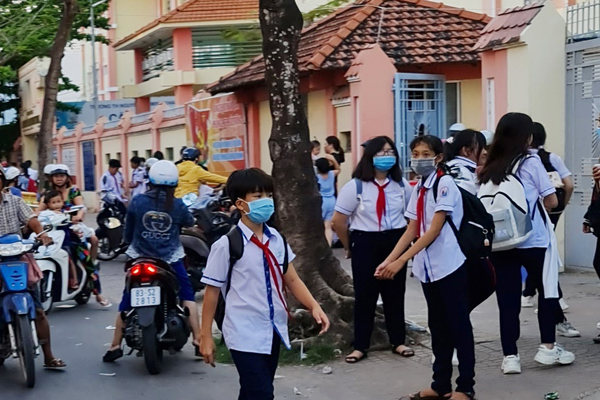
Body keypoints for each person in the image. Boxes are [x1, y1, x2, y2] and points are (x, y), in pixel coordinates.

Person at [200, 168, 329, 400]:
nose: (266, 201)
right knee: (262, 393)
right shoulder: (226, 245)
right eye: (258, 197)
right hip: (242, 332)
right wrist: (206, 336)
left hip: (273, 329)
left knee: (252, 391)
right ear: (240, 204)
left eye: (268, 195)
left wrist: (314, 306)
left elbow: (291, 277)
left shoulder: (276, 239)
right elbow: (212, 293)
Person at [376, 135, 474, 400]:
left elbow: (433, 230)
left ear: (438, 157)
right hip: (429, 270)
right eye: (415, 154)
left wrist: (400, 262)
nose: (419, 159)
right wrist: (389, 259)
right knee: (438, 328)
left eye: (425, 154)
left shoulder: (445, 184)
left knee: (459, 327)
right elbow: (412, 228)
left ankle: (465, 387)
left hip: (450, 265)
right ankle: (440, 384)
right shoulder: (419, 187)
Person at [479, 112, 574, 375]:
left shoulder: (491, 164)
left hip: (501, 242)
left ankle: (510, 356)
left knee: (507, 299)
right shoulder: (531, 162)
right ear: (526, 136)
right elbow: (551, 201)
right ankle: (548, 348)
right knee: (547, 292)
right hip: (534, 240)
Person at [103, 160, 201, 362]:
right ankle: (199, 341)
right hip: (170, 258)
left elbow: (128, 232)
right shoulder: (178, 205)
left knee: (126, 300)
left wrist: (129, 244)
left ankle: (114, 346)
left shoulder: (138, 202)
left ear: (150, 181)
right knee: (187, 295)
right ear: (174, 184)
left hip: (139, 257)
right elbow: (190, 222)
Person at [332, 136, 414, 364]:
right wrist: (349, 246)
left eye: (390, 152)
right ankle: (360, 346)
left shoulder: (402, 186)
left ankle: (398, 341)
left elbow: (411, 218)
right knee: (365, 296)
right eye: (381, 152)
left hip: (395, 242)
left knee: (395, 293)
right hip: (364, 243)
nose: (386, 156)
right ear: (370, 156)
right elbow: (339, 221)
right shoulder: (355, 186)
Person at [0, 168, 66, 369]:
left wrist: (41, 234)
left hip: (19, 258)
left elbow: (32, 220)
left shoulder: (14, 201)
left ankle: (48, 356)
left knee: (38, 310)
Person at [521, 122, 578, 337]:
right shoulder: (549, 158)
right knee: (545, 256)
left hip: (518, 218)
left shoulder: (507, 161)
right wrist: (563, 205)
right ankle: (552, 300)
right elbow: (569, 185)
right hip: (548, 212)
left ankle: (528, 293)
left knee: (535, 256)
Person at [43, 190, 110, 306]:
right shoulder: (46, 214)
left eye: (59, 202)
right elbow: (36, 215)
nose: (57, 205)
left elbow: (80, 210)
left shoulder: (67, 210)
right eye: (53, 202)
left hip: (71, 241)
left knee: (87, 263)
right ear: (48, 204)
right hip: (53, 242)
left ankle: (97, 293)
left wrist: (76, 217)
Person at [38, 164, 101, 271]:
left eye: (62, 176)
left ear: (67, 177)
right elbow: (39, 210)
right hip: (53, 228)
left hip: (72, 226)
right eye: (56, 176)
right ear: (51, 178)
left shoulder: (73, 191)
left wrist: (78, 216)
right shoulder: (48, 194)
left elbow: (80, 207)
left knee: (93, 240)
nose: (59, 179)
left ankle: (90, 269)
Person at [444, 129, 486, 195]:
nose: (485, 152)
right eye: (481, 148)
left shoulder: (452, 167)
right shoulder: (461, 173)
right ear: (465, 150)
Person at [315, 157, 340, 245]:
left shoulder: (316, 177)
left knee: (318, 225)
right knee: (328, 227)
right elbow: (338, 169)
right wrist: (333, 159)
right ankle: (328, 245)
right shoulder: (331, 174)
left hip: (322, 202)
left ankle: (319, 245)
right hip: (332, 201)